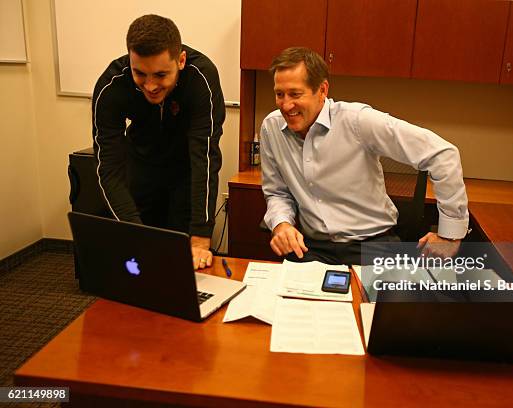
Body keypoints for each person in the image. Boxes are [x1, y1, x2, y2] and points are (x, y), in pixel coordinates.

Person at [260, 47, 469, 265]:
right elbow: (277, 192)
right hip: (312, 247)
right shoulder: (271, 128)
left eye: (295, 94)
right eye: (279, 94)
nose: (286, 105)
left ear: (322, 90)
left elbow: (443, 154)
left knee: (382, 299)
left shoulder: (358, 121)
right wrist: (281, 223)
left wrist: (450, 234)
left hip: (373, 246)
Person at [92, 15, 225, 270]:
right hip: (141, 170)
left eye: (161, 75)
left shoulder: (201, 78)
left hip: (187, 173)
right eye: (139, 73)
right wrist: (135, 232)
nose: (150, 85)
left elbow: (205, 158)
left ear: (181, 60)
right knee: (138, 264)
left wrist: (200, 236)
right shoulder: (112, 86)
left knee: (179, 267)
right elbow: (107, 169)